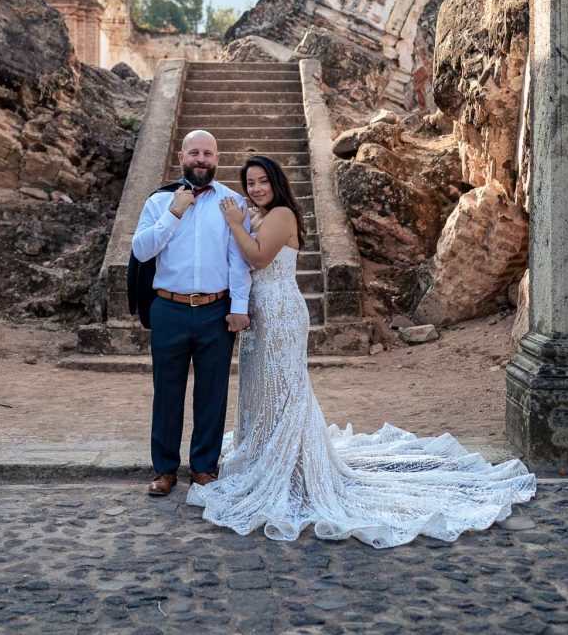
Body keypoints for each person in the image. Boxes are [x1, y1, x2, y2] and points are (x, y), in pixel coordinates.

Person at [187, 154, 536, 544]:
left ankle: (290, 465)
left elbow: (257, 257)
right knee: (262, 390)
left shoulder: (281, 215)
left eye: (262, 181)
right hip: (261, 313)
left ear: (277, 182)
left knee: (283, 389)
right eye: (250, 183)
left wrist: (235, 224)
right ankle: (264, 455)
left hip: (280, 313)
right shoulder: (262, 216)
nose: (256, 188)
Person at [131, 129, 252, 498]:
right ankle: (165, 469)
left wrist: (239, 308)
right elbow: (141, 250)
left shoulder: (232, 202)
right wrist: (174, 213)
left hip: (216, 310)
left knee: (212, 392)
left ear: (217, 159)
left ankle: (203, 467)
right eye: (194, 153)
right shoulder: (159, 202)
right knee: (166, 391)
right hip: (169, 308)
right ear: (181, 157)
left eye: (208, 154)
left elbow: (238, 261)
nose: (201, 159)